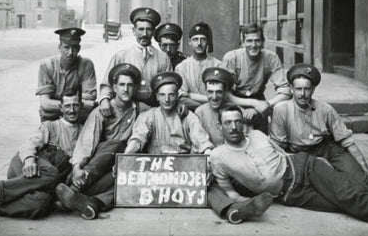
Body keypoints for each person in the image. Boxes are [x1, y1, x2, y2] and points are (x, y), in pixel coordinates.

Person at [210, 105, 368, 234]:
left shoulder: (257, 136)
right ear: (220, 126)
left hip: (305, 168)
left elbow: (283, 153)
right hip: (292, 195)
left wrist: (316, 162)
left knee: (350, 196)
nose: (234, 127)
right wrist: (246, 202)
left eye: (237, 121)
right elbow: (230, 193)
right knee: (345, 203)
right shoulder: (218, 156)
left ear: (243, 124)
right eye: (228, 123)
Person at [270, 63, 368, 187]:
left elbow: (347, 142)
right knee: (334, 187)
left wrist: (366, 171)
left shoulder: (325, 109)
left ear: (313, 89)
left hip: (327, 149)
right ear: (291, 89)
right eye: (298, 89)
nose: (302, 94)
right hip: (299, 154)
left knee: (366, 183)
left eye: (307, 89)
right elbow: (278, 147)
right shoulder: (281, 110)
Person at [0, 88, 83, 218]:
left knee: (41, 204)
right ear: (61, 107)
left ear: (81, 106)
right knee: (52, 173)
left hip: (42, 182)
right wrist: (29, 160)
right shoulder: (50, 126)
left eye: (75, 105)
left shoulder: (85, 133)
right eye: (67, 106)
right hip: (25, 166)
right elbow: (31, 142)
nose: (71, 110)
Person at [55, 63, 142, 220]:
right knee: (116, 145)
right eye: (122, 85)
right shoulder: (101, 111)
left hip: (116, 168)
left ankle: (91, 203)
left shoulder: (141, 109)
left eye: (130, 85)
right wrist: (77, 168)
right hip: (96, 167)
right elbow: (87, 141)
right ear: (114, 87)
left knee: (127, 182)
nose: (126, 89)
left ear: (135, 88)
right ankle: (75, 186)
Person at [195, 67, 272, 224]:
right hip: (214, 169)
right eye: (210, 92)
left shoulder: (238, 112)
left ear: (225, 93)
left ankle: (239, 204)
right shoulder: (199, 113)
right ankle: (235, 208)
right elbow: (197, 144)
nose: (214, 97)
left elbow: (250, 144)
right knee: (209, 186)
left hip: (238, 169)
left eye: (219, 92)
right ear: (205, 92)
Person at [221, 23, 292, 134]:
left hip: (260, 101)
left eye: (257, 40)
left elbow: (286, 92)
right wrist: (254, 103)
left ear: (263, 41)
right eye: (249, 41)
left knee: (261, 138)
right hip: (235, 101)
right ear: (243, 42)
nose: (253, 45)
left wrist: (262, 106)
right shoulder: (231, 58)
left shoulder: (271, 58)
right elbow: (225, 94)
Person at [98, 7, 172, 113]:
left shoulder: (163, 58)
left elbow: (168, 87)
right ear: (134, 31)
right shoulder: (121, 56)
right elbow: (107, 85)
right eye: (141, 29)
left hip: (154, 110)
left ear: (154, 31)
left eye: (149, 29)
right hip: (126, 109)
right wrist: (104, 100)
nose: (145, 34)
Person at [124, 71, 214, 154]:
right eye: (162, 95)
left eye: (171, 95)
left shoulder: (188, 117)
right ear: (157, 96)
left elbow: (202, 140)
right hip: (155, 165)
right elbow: (138, 138)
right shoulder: (149, 116)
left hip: (184, 165)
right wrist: (125, 157)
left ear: (177, 96)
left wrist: (207, 151)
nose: (167, 100)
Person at [36, 27, 97, 123]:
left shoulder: (86, 65)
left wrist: (57, 100)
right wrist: (80, 103)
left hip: (76, 118)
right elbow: (45, 104)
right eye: (66, 47)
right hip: (52, 118)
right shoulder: (47, 66)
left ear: (79, 48)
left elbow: (90, 96)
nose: (70, 53)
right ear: (59, 47)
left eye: (74, 48)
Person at [175, 22, 221, 111]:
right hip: (189, 113)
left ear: (208, 41)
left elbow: (221, 96)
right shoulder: (182, 67)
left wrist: (191, 95)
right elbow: (182, 98)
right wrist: (206, 106)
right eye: (195, 39)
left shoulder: (217, 65)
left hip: (215, 113)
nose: (199, 43)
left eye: (203, 39)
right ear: (189, 42)